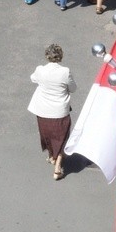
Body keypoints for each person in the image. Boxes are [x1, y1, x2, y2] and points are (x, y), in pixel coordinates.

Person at [27, 44, 76, 181]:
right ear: (60, 56)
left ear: (47, 56)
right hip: (60, 111)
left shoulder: (40, 70)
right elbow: (73, 88)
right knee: (61, 137)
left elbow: (33, 78)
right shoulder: (65, 72)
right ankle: (57, 167)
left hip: (43, 110)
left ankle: (52, 157)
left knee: (47, 134)